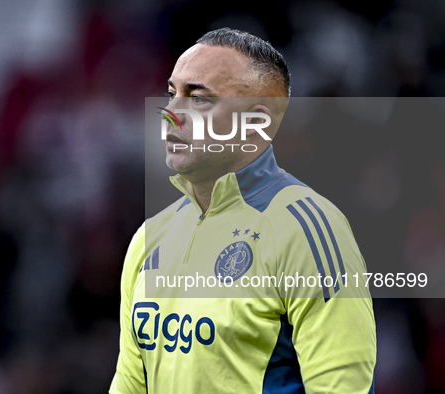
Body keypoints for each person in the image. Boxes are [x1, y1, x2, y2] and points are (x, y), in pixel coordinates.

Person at [110, 28, 376, 393]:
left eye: (198, 98)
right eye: (172, 94)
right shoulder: (148, 239)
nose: (170, 113)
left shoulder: (309, 228)